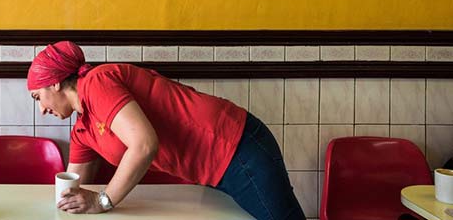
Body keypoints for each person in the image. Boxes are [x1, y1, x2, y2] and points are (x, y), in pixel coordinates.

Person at [28, 40, 305, 220]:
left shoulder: (97, 83)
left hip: (237, 146)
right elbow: (75, 187)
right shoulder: (82, 129)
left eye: (37, 97)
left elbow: (145, 145)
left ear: (55, 83)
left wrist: (103, 200)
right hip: (212, 169)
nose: (41, 110)